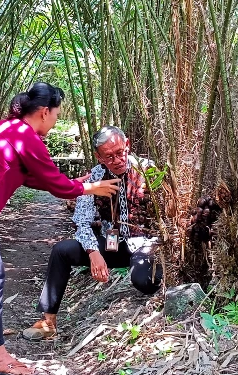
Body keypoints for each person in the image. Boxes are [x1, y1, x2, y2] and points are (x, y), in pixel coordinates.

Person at [0, 82, 121, 374]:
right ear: (44, 112)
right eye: (57, 114)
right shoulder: (26, 137)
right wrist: (90, 187)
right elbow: (56, 185)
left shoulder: (4, 129)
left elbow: (29, 176)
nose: (56, 121)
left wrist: (78, 185)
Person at [22, 126, 163, 341]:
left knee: (144, 281)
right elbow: (82, 220)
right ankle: (48, 322)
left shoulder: (148, 171)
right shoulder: (96, 175)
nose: (117, 160)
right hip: (112, 244)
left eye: (120, 152)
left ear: (128, 145)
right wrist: (93, 252)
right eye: (109, 156)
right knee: (62, 251)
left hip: (145, 245)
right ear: (99, 157)